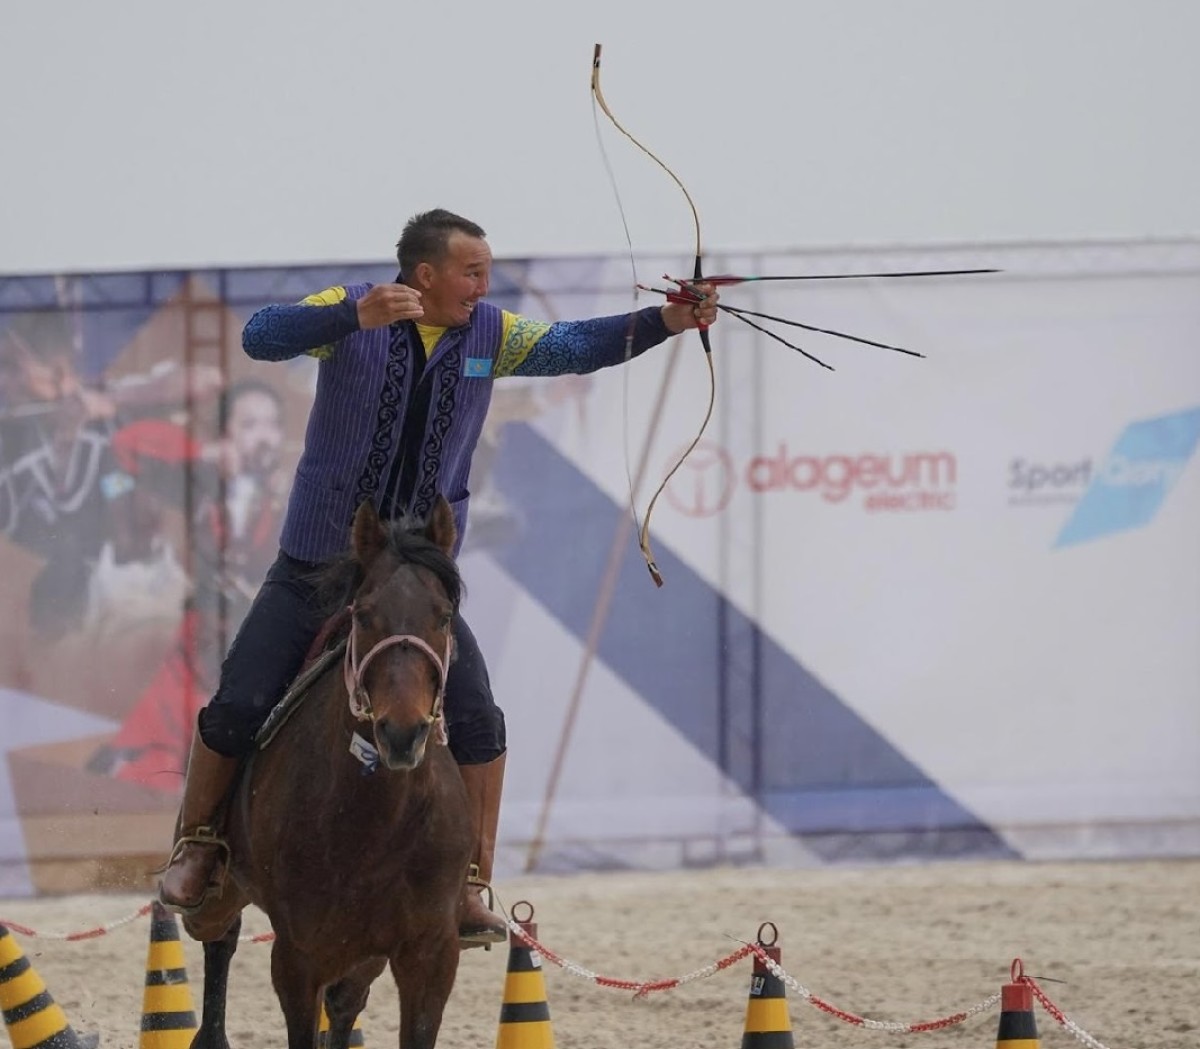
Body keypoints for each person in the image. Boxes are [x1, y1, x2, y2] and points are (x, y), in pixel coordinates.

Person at [158, 208, 719, 945]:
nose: (486, 285)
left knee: (480, 721)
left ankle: (468, 883)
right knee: (237, 703)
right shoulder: (348, 308)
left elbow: (573, 346)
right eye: (473, 271)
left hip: (417, 582)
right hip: (318, 566)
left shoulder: (490, 334)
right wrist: (353, 319)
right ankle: (201, 845)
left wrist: (667, 321)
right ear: (425, 273)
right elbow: (259, 334)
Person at [87, 379, 288, 789]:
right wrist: (203, 457)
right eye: (248, 424)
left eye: (272, 425)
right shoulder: (193, 479)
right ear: (224, 434)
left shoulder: (286, 496)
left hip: (250, 648)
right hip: (191, 645)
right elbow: (122, 449)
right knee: (161, 762)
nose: (263, 437)